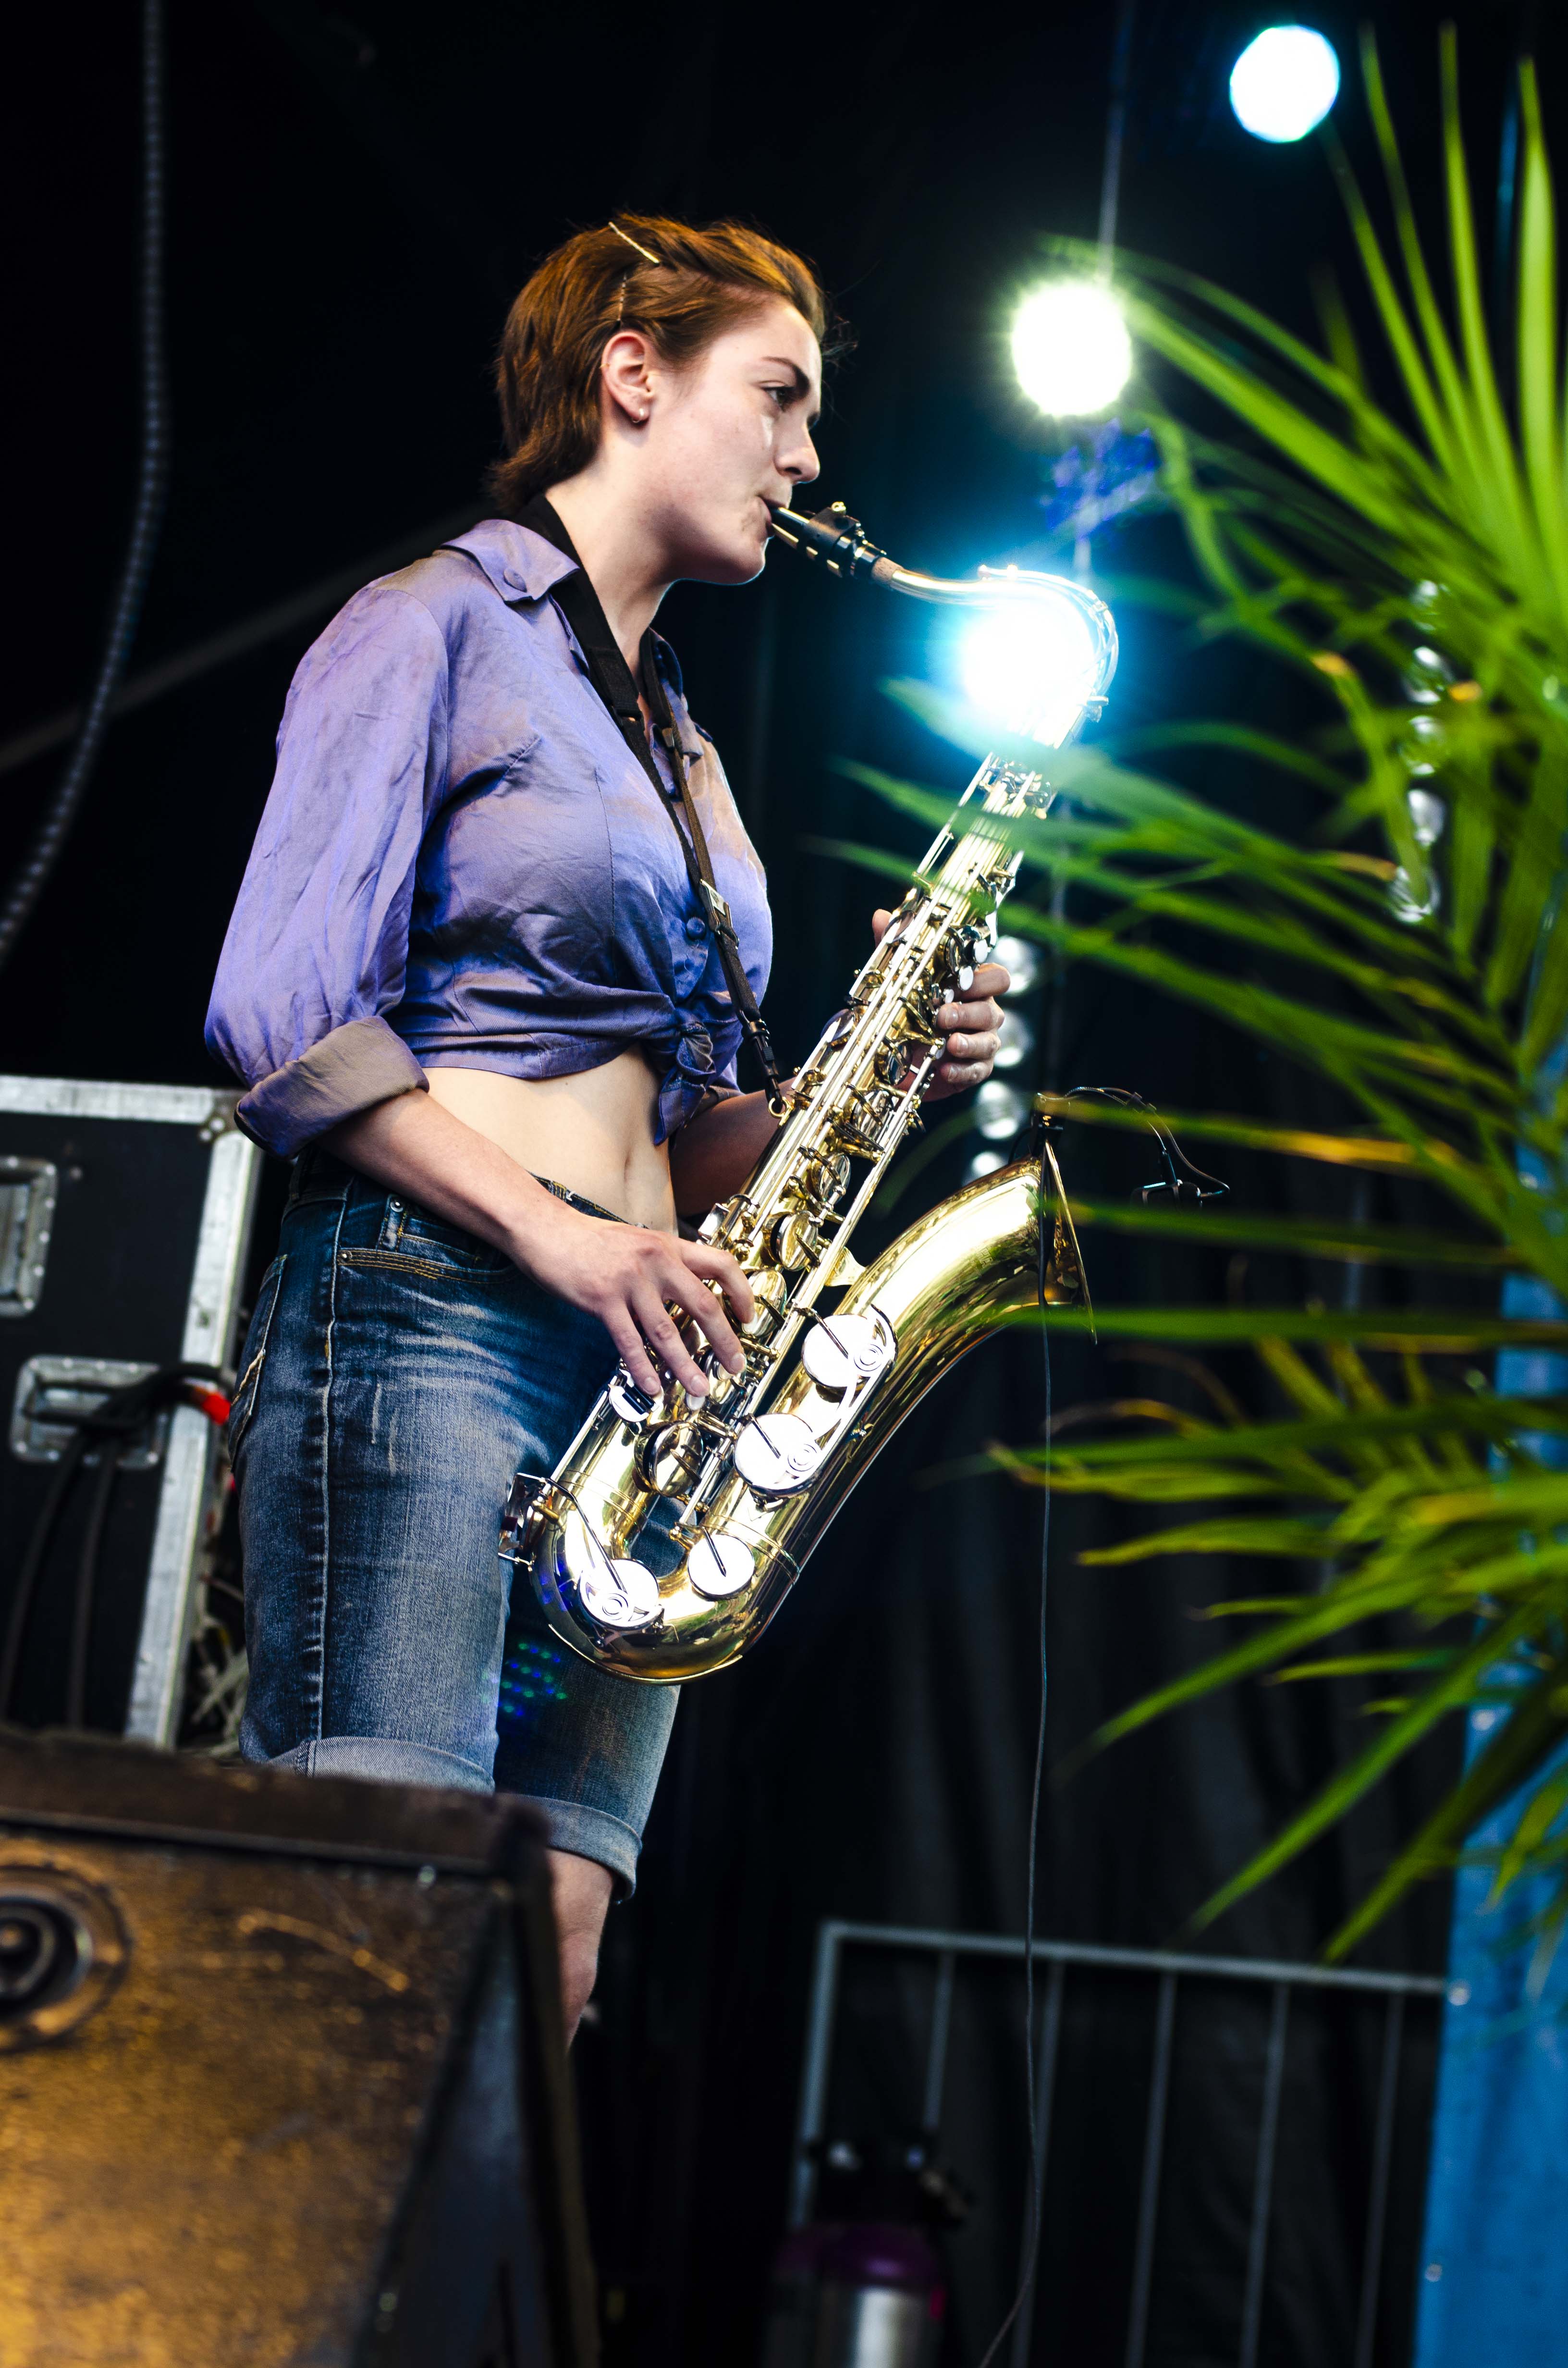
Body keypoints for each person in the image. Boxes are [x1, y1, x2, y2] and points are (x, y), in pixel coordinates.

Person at [206, 215, 1008, 2039]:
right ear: (633, 377)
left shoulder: (685, 749)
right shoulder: (427, 625)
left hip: (645, 1379)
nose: (808, 454)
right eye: (779, 395)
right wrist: (568, 1241)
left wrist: (870, 1077)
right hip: (429, 1312)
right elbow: (281, 1019)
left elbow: (685, 1130)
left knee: (557, 1941)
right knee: (389, 1917)